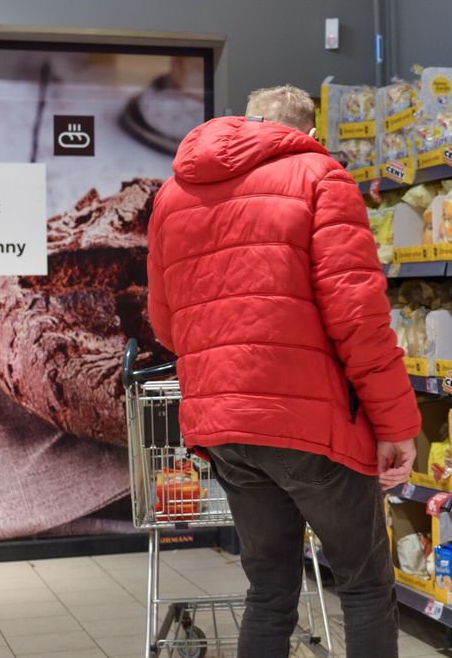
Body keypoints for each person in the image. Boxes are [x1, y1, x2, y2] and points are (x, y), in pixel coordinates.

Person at [146, 84, 420, 657]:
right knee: (364, 585)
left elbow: (167, 327)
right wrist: (396, 426)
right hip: (309, 428)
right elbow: (359, 320)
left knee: (269, 590)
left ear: (246, 122)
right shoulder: (320, 177)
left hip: (222, 428)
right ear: (307, 133)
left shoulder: (173, 194)